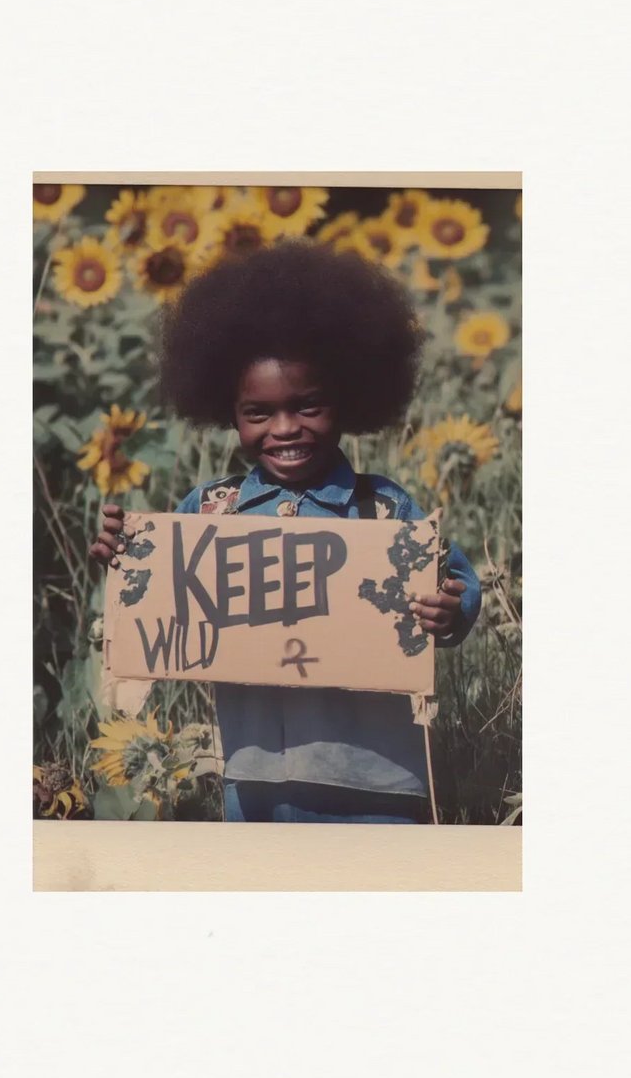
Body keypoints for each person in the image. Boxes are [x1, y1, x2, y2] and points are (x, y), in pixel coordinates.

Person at [89, 238, 482, 823]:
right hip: (254, 780)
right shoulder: (211, 510)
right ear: (229, 414)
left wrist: (449, 610)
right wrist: (127, 556)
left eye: (308, 406)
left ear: (347, 400)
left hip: (378, 781)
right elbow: (162, 591)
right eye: (259, 413)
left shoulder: (384, 508)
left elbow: (454, 584)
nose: (285, 428)